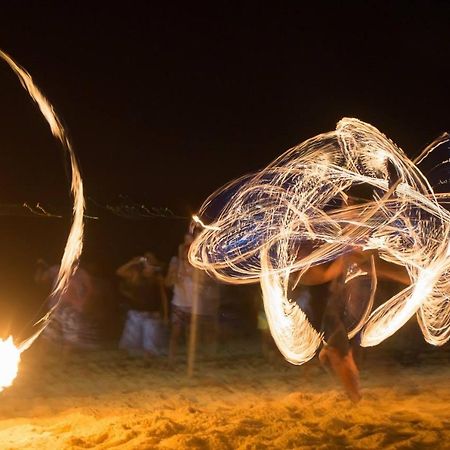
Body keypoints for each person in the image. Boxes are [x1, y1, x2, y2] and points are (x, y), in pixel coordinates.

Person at [34, 259, 100, 353]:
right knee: (48, 333)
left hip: (73, 308)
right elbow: (41, 279)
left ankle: (64, 360)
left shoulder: (82, 273)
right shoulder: (58, 269)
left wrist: (82, 303)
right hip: (55, 306)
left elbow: (89, 290)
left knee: (69, 336)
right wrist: (40, 268)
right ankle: (41, 357)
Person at [117, 252, 168, 356]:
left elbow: (163, 297)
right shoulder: (136, 275)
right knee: (131, 344)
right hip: (136, 314)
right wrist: (132, 262)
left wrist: (166, 315)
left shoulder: (157, 278)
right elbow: (119, 272)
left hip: (152, 315)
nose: (150, 266)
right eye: (148, 262)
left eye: (152, 264)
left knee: (150, 346)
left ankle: (148, 362)